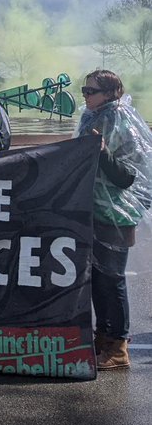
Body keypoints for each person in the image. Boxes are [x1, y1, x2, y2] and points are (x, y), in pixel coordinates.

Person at [75, 69, 152, 370]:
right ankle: (104, 338)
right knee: (97, 278)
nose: (85, 95)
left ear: (110, 93)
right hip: (95, 209)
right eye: (84, 90)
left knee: (112, 280)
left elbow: (127, 176)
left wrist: (102, 152)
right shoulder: (93, 117)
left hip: (116, 213)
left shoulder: (116, 119)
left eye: (90, 90)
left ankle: (118, 346)